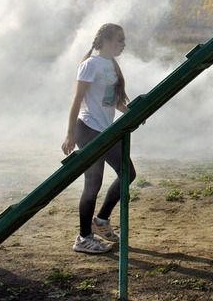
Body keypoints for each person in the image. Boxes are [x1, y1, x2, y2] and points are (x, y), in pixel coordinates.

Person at [61, 23, 136, 254]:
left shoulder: (112, 66)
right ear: (104, 41)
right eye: (118, 40)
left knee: (128, 174)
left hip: (106, 130)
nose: (122, 44)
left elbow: (113, 100)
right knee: (93, 184)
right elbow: (77, 100)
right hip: (88, 129)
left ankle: (101, 220)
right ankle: (83, 238)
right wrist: (70, 133)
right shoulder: (90, 65)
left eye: (123, 41)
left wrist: (132, 112)